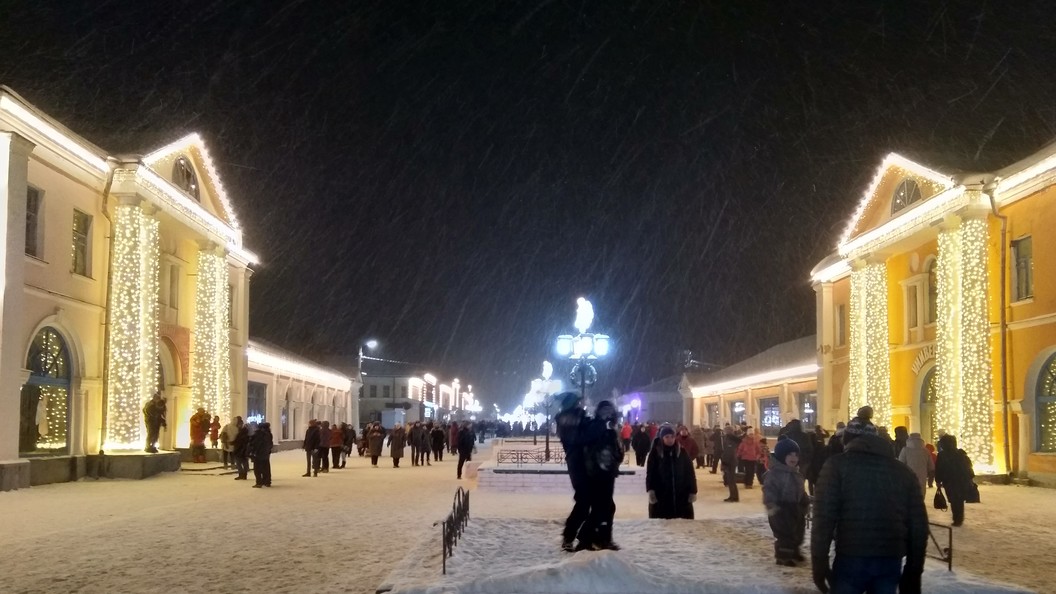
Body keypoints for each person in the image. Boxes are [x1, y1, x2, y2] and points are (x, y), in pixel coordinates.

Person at [811, 414, 928, 594]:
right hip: (890, 559)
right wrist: (914, 571)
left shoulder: (836, 466)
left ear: (847, 440)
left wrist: (819, 561)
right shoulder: (903, 472)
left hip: (851, 556)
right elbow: (918, 525)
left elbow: (823, 518)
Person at [580, 400, 623, 550]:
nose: (608, 415)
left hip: (608, 473)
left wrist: (617, 458)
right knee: (602, 507)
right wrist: (603, 426)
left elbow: (617, 448)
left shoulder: (611, 430)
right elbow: (588, 439)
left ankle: (601, 538)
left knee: (606, 507)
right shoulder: (595, 426)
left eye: (610, 412)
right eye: (605, 412)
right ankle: (588, 538)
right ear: (599, 413)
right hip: (596, 473)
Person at [763, 438, 809, 566]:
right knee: (785, 534)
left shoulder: (797, 473)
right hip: (780, 509)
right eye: (789, 454)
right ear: (782, 456)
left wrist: (805, 501)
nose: (793, 457)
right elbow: (769, 489)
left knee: (798, 532)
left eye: (796, 454)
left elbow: (800, 490)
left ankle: (794, 551)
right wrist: (771, 504)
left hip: (796, 507)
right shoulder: (774, 474)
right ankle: (783, 556)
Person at [555, 392, 589, 551]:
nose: (579, 405)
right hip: (580, 462)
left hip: (576, 462)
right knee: (584, 501)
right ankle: (570, 536)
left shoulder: (562, 418)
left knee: (586, 501)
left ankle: (579, 536)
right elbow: (582, 437)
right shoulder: (574, 417)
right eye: (577, 403)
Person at [646, 425, 696, 519]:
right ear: (662, 438)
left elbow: (689, 472)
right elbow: (650, 474)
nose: (670, 439)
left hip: (681, 496)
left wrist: (693, 490)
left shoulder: (681, 452)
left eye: (672, 437)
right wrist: (651, 490)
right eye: (667, 437)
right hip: (661, 495)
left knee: (682, 526)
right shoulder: (656, 453)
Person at [935, 434, 975, 527]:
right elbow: (968, 466)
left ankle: (957, 519)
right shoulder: (960, 453)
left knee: (953, 499)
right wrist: (969, 478)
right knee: (959, 499)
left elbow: (939, 468)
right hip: (961, 480)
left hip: (949, 481)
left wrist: (938, 480)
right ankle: (959, 518)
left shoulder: (942, 455)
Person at [898, 432, 934, 496]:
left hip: (908, 476)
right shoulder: (925, 451)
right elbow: (931, 466)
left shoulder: (905, 450)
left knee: (909, 495)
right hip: (922, 476)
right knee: (921, 494)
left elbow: (900, 464)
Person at [720, 425, 742, 502]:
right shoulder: (729, 438)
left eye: (726, 430)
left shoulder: (731, 439)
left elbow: (729, 452)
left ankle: (734, 497)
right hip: (729, 460)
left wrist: (725, 462)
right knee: (730, 480)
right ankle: (732, 495)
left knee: (731, 480)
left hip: (730, 461)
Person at [248, 421, 273, 487]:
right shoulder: (269, 434)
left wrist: (252, 451)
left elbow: (254, 444)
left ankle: (259, 482)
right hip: (266, 454)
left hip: (258, 454)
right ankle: (267, 481)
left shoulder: (258, 434)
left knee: (257, 469)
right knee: (266, 468)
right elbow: (270, 444)